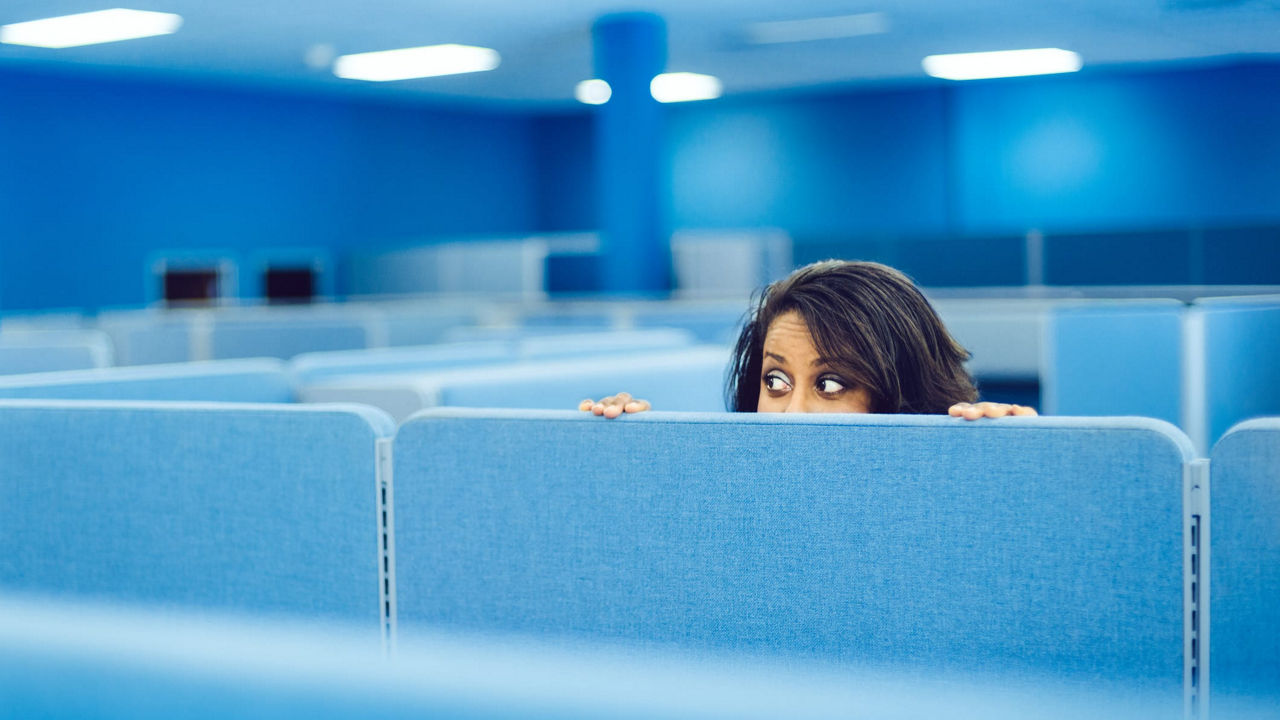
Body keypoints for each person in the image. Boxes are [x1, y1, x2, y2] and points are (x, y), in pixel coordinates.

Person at [579, 260, 1037, 420]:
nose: (790, 412)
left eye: (831, 384)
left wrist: (1000, 465)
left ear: (904, 394)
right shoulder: (737, 495)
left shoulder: (940, 502)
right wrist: (629, 453)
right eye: (775, 381)